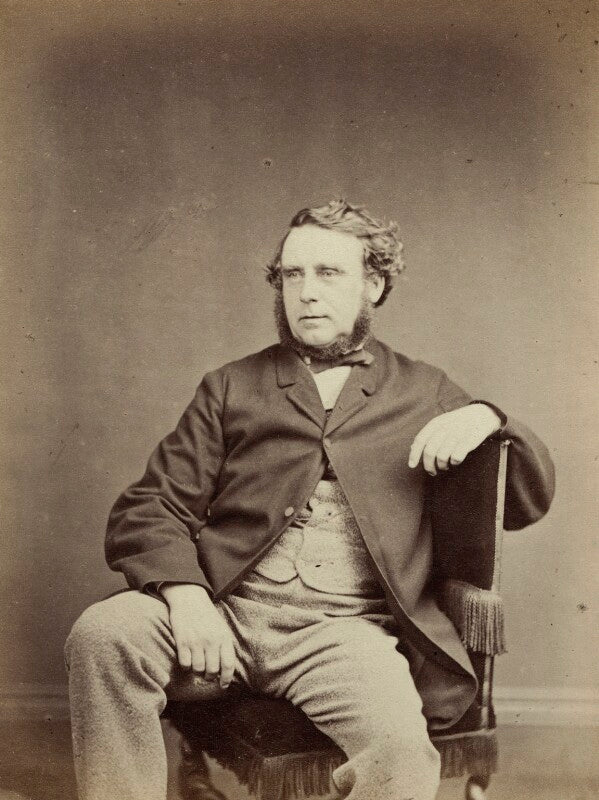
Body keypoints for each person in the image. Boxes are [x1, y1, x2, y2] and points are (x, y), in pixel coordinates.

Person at [65, 199, 554, 800]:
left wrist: (491, 418)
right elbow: (150, 506)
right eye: (292, 274)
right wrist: (187, 597)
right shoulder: (231, 386)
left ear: (373, 285)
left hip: (344, 637)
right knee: (103, 634)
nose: (307, 293)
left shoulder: (425, 390)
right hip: (224, 614)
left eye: (329, 273)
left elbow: (525, 501)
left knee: (401, 759)